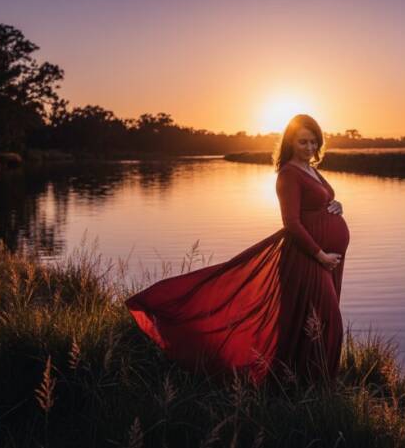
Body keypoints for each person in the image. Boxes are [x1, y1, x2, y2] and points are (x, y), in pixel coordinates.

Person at [125, 114, 349, 385]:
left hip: (326, 258)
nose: (310, 147)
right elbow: (291, 222)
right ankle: (304, 384)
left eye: (314, 141)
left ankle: (310, 383)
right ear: (290, 141)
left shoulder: (310, 168)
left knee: (315, 322)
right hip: (307, 258)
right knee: (327, 321)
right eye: (303, 142)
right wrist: (320, 254)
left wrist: (337, 206)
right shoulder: (289, 173)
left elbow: (323, 198)